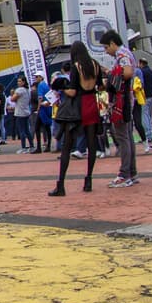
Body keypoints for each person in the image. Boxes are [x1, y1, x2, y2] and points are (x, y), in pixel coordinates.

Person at [49, 42, 102, 196]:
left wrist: (62, 87)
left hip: (78, 106)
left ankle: (61, 185)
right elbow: (100, 86)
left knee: (67, 145)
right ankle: (88, 179)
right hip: (91, 103)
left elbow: (72, 91)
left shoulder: (76, 67)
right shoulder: (95, 64)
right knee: (91, 144)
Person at [101, 31, 138, 187]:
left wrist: (111, 79)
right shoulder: (125, 54)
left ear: (112, 43)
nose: (105, 51)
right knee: (127, 138)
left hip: (121, 102)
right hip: (126, 101)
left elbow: (127, 73)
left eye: (105, 47)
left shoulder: (121, 55)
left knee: (122, 138)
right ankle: (132, 172)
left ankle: (124, 174)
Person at [10, 76, 33, 153]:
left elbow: (12, 99)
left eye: (20, 81)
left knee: (22, 130)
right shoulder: (27, 90)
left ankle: (23, 147)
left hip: (20, 112)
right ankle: (31, 146)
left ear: (23, 82)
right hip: (26, 111)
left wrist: (13, 95)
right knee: (27, 130)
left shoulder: (19, 90)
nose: (18, 82)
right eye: (18, 81)